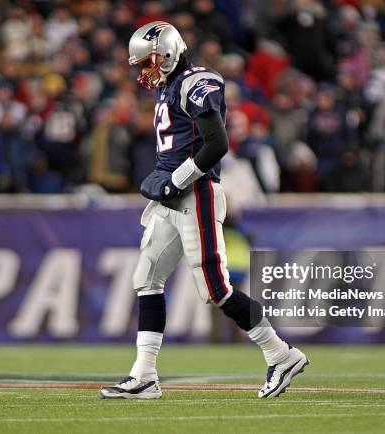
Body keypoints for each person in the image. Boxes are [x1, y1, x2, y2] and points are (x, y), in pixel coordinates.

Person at [99, 22, 308, 400]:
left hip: (196, 192)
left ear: (171, 51)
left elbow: (217, 143)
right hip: (173, 196)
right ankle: (144, 375)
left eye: (152, 60)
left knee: (216, 289)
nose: (147, 70)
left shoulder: (197, 80)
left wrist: (175, 180)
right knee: (146, 278)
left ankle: (281, 354)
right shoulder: (167, 87)